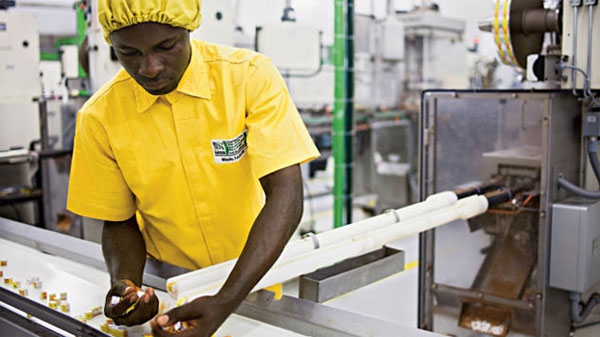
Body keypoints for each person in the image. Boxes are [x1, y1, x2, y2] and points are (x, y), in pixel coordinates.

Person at [66, 0, 320, 335]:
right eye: (129, 53)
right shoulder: (99, 117)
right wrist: (127, 284)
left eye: (166, 46)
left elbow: (286, 195)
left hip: (253, 274)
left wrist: (226, 299)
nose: (150, 67)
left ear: (189, 29)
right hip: (170, 285)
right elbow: (119, 220)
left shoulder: (248, 77)